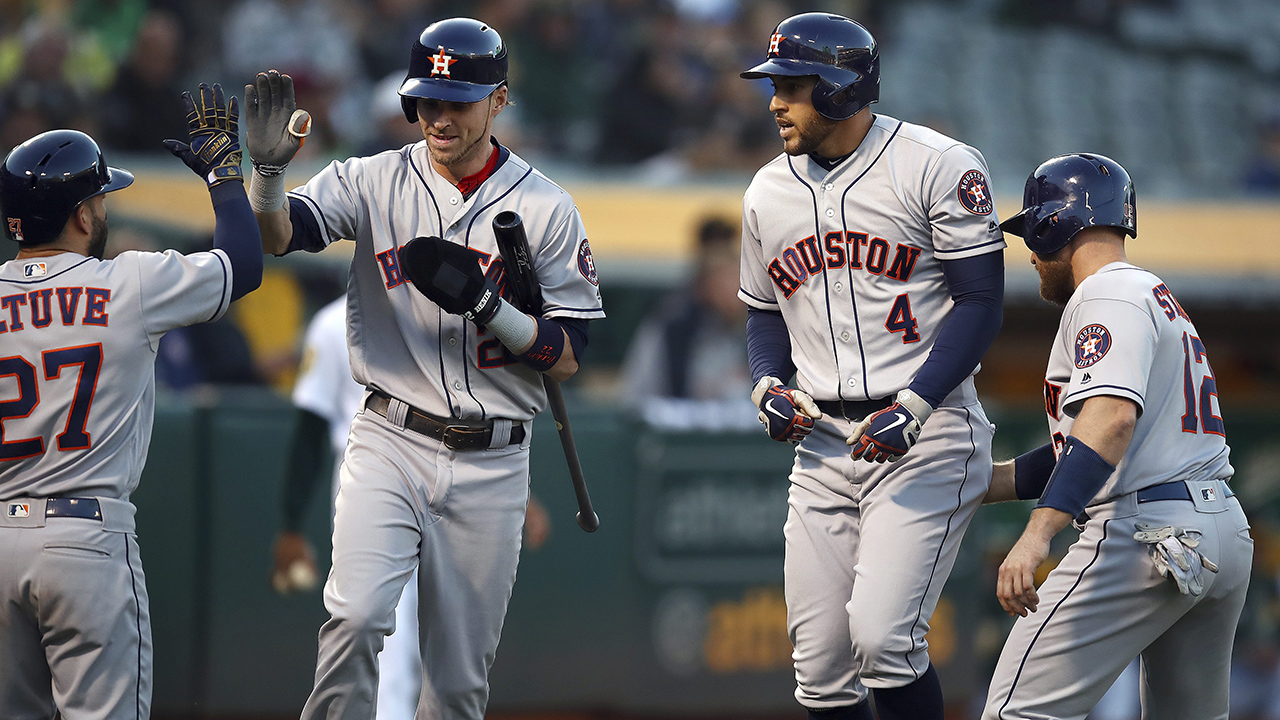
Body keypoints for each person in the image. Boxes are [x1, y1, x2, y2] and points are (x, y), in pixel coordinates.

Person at [243, 17, 604, 720]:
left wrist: (490, 307)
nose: (438, 116)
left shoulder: (547, 208)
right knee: (353, 622)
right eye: (427, 100)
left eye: (457, 100)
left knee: (459, 683)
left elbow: (568, 359)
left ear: (498, 100)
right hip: (391, 436)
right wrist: (267, 178)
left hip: (494, 457)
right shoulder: (372, 178)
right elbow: (283, 236)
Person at [736, 12, 1006, 720]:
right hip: (823, 439)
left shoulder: (938, 164)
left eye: (792, 87)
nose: (775, 103)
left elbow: (980, 303)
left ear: (839, 88)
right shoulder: (767, 190)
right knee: (819, 670)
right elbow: (763, 309)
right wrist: (769, 383)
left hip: (928, 428)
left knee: (884, 641)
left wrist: (914, 404)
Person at [0, 86, 261, 718]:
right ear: (82, 216)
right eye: (98, 199)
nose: (102, 210)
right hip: (85, 538)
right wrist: (224, 175)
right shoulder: (128, 283)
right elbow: (243, 263)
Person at [979, 153, 1252, 720]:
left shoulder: (1106, 295)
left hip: (1146, 530)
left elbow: (1110, 423)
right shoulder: (1150, 294)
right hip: (1215, 525)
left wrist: (1037, 534)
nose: (1029, 253)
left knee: (1015, 711)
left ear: (1058, 223)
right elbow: (1084, 447)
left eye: (1032, 230)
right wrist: (991, 482)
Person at [269, 294, 552, 720]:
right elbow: (310, 430)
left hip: (468, 481)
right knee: (379, 632)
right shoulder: (333, 323)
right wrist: (291, 522)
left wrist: (520, 499)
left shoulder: (460, 314)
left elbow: (475, 416)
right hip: (373, 475)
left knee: (453, 648)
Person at [621, 216, 751, 405]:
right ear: (705, 283)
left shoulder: (754, 327)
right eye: (723, 280)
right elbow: (636, 397)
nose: (733, 291)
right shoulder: (671, 323)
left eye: (736, 279)